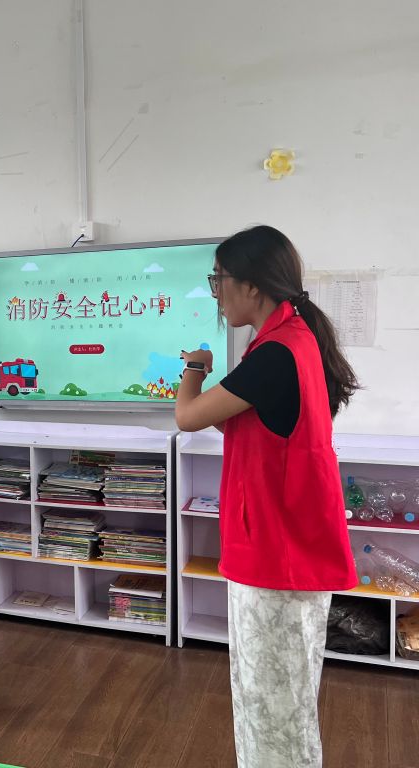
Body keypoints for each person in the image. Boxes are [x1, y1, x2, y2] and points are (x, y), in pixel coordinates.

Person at [174, 225, 358, 768]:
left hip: (279, 558)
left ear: (252, 285)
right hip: (282, 550)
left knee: (272, 712)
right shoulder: (290, 340)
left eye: (219, 280)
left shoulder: (276, 352)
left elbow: (187, 416)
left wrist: (194, 368)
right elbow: (243, 423)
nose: (216, 292)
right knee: (277, 707)